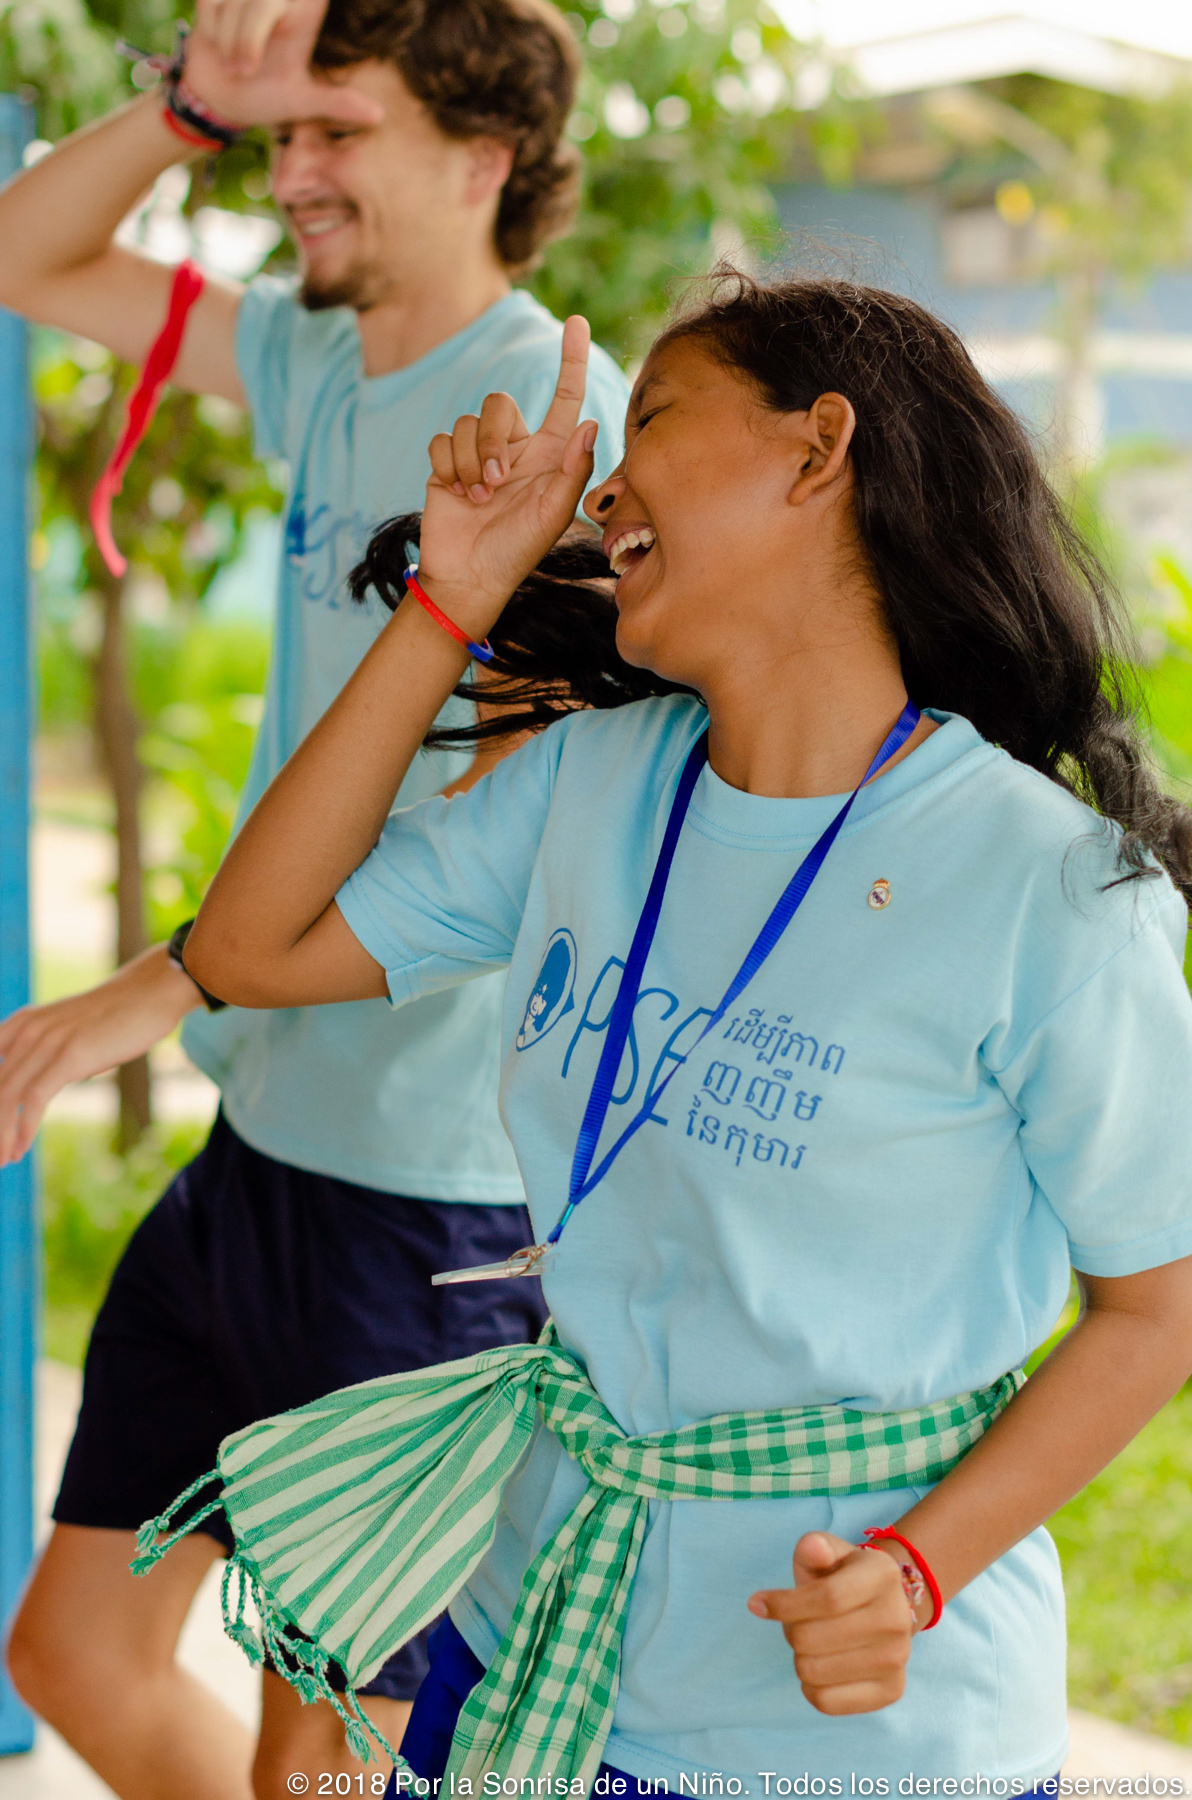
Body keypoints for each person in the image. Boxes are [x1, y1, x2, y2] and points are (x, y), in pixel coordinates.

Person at [170, 272, 1192, 1786]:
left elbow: (1156, 1307)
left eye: (648, 419)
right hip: (528, 1645)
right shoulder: (592, 781)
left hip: (849, 1729)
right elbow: (249, 948)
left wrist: (920, 1569)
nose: (603, 479)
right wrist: (451, 598)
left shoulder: (1044, 885)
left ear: (816, 449)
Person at [0, 0, 628, 1792]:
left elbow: (477, 841)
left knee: (332, 1769)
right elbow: (23, 253)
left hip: (425, 1216)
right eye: (284, 141)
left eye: (336, 133)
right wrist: (195, 97)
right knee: (71, 1653)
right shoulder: (316, 366)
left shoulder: (547, 423)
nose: (292, 175)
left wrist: (155, 987)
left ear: (483, 158)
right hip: (262, 1150)